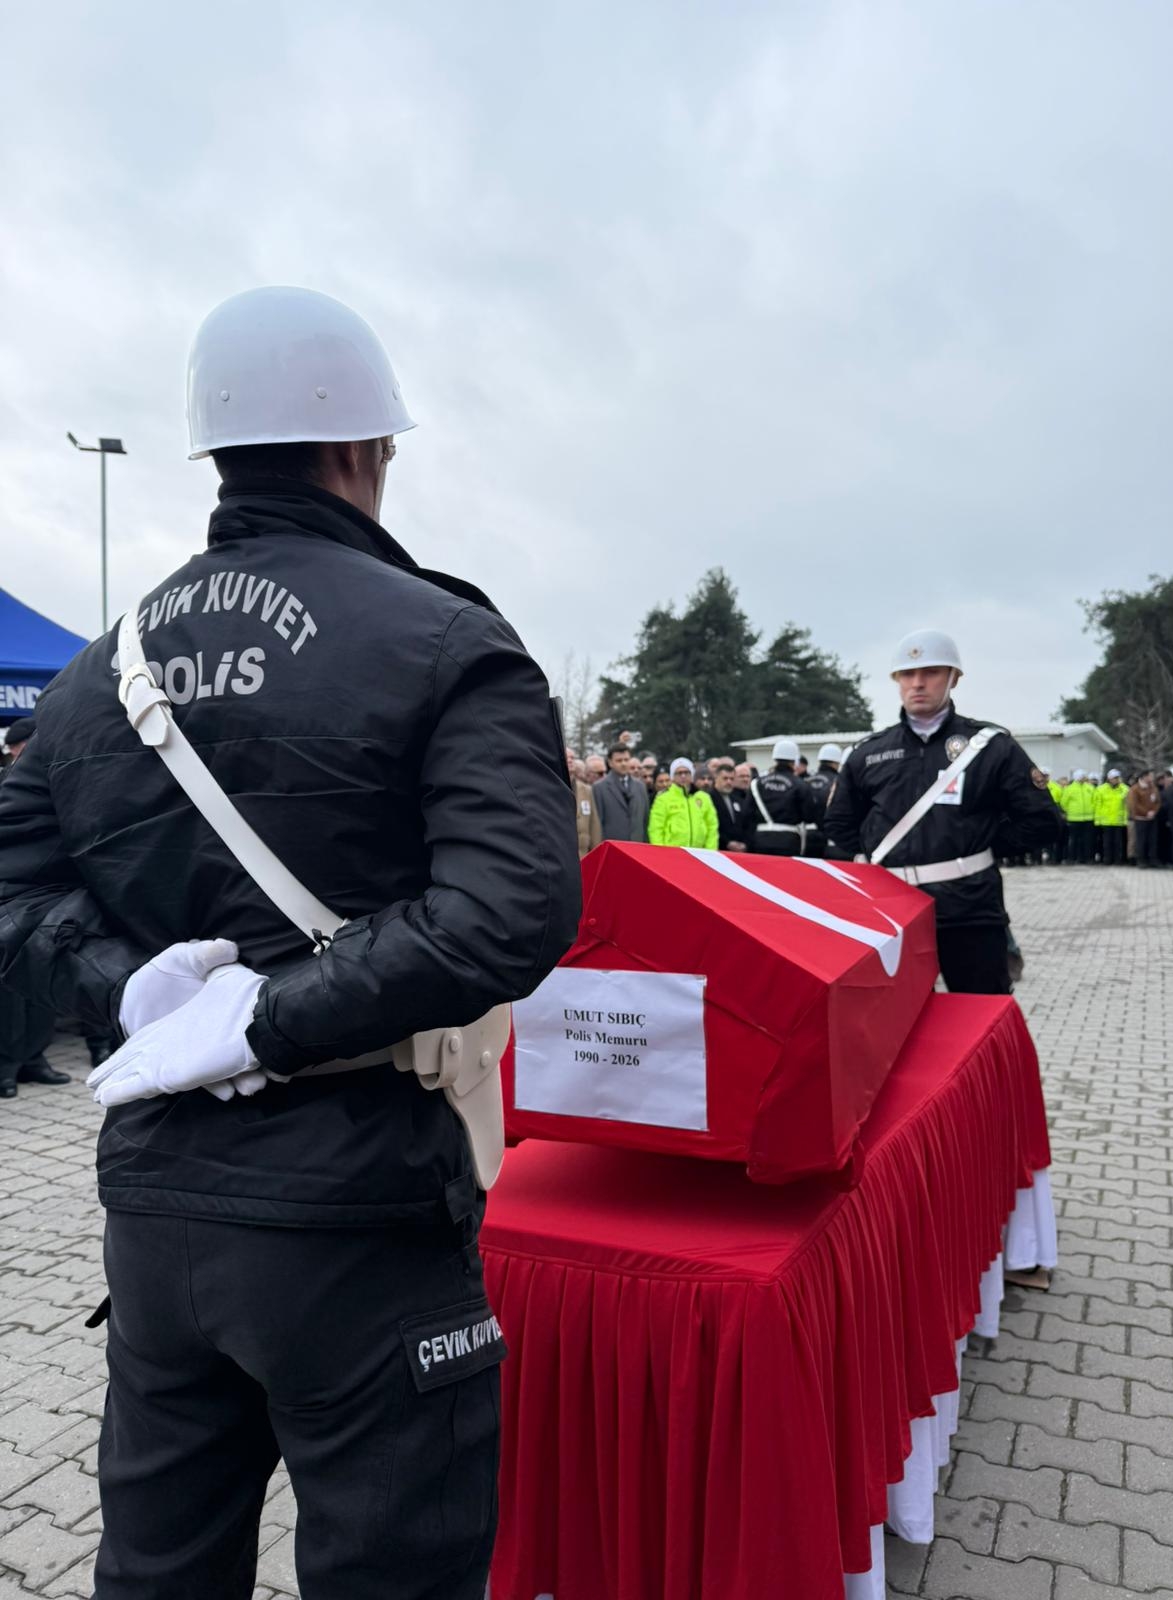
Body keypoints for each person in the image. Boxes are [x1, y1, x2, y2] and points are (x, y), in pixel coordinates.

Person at [0, 286, 581, 1600]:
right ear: (365, 447)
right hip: (363, 1202)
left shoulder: (94, 678)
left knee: (156, 1572)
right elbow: (514, 908)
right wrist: (266, 1017)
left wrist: (133, 994)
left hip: (158, 1209)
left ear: (213, 449)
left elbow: (13, 898)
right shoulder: (445, 637)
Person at [825, 629, 1059, 995]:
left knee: (979, 1014)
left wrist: (980, 847)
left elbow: (1042, 820)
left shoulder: (991, 746)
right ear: (897, 680)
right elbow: (840, 824)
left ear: (954, 678)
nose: (918, 683)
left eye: (931, 672)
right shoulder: (867, 753)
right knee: (895, 1018)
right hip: (890, 911)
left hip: (971, 909)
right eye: (907, 674)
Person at [0, 719, 72, 1097]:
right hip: (8, 891)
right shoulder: (8, 779)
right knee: (9, 992)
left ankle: (34, 1057)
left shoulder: (51, 775)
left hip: (44, 889)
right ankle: (6, 1065)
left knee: (41, 981)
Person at [747, 739, 820, 857]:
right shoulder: (801, 784)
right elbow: (809, 816)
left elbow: (747, 814)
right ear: (794, 761)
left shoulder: (756, 783)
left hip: (761, 840)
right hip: (789, 840)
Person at [647, 758, 718, 848]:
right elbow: (655, 828)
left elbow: (712, 827)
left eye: (686, 772)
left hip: (699, 852)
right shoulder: (663, 799)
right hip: (672, 851)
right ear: (672, 777)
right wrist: (660, 851)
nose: (683, 776)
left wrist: (710, 851)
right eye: (679, 773)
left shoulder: (704, 798)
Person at [592, 743, 649, 843]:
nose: (623, 764)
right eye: (619, 760)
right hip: (613, 846)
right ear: (610, 763)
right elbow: (597, 823)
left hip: (637, 846)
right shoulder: (599, 788)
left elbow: (645, 820)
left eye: (626, 760)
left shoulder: (640, 787)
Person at [801, 742, 843, 858]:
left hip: (805, 835)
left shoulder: (805, 781)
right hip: (827, 837)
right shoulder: (838, 781)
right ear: (836, 763)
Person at [565, 747, 603, 858]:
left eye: (572, 758)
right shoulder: (553, 788)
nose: (570, 760)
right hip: (564, 852)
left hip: (584, 854)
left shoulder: (586, 790)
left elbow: (594, 822)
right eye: (567, 758)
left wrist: (596, 852)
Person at [712, 763, 753, 851]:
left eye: (731, 779)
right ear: (716, 778)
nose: (729, 782)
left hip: (738, 850)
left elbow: (745, 824)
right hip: (719, 849)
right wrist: (727, 842)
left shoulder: (737, 799)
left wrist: (745, 843)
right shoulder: (709, 798)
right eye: (725, 778)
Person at [1092, 769, 1129, 865]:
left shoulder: (1125, 789)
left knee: (1118, 842)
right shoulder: (1101, 789)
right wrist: (1097, 820)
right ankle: (1107, 859)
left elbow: (1126, 806)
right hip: (1106, 820)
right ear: (1109, 779)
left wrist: (1125, 820)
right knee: (1107, 842)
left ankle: (1117, 860)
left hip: (1118, 820)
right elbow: (1097, 805)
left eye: (1117, 778)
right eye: (1114, 778)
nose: (1116, 780)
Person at [1126, 770, 1162, 867]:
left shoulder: (1153, 788)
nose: (1152, 778)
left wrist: (1154, 811)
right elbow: (1134, 804)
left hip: (1152, 818)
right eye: (1150, 776)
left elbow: (1158, 801)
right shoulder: (1135, 789)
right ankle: (1141, 859)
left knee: (1152, 840)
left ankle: (1152, 859)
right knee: (1141, 840)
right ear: (1144, 777)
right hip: (1140, 818)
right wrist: (1146, 812)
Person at [1060, 770, 1095, 864]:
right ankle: (1072, 858)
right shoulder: (1069, 789)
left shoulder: (1090, 788)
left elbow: (1094, 800)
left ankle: (1087, 858)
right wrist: (1070, 811)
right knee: (1073, 840)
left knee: (1087, 840)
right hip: (1074, 819)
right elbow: (1063, 803)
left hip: (1088, 818)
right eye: (1082, 776)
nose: (1084, 778)